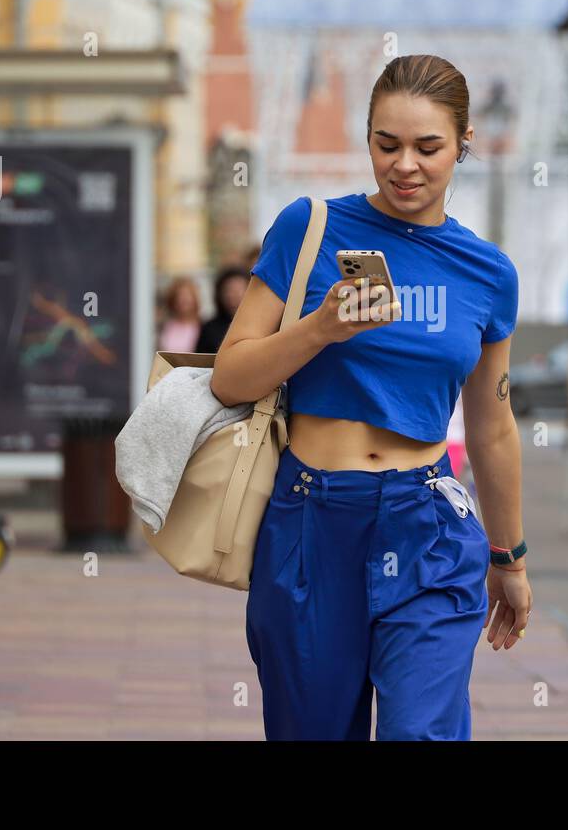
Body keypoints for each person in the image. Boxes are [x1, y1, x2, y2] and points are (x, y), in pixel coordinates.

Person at [211, 54, 530, 741]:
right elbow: (230, 377)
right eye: (387, 145)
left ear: (464, 143)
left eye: (428, 147)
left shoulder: (488, 273)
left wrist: (510, 557)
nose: (405, 165)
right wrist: (321, 328)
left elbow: (493, 426)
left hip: (429, 526)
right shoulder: (311, 228)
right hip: (310, 520)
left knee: (422, 732)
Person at [195, 266, 250, 354]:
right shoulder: (209, 328)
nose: (234, 295)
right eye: (229, 290)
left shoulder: (261, 326)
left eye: (238, 290)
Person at [158, 276, 202, 353]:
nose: (182, 301)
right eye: (179, 296)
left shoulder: (203, 326)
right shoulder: (164, 326)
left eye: (187, 296)